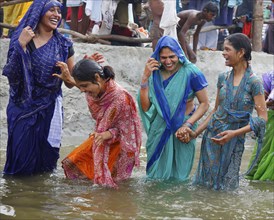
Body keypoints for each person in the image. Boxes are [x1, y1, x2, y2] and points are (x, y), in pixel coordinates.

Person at [182, 33, 268, 190]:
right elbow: (216, 111)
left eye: (227, 49)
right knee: (205, 185)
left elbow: (262, 118)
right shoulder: (223, 78)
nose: (223, 53)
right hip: (212, 138)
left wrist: (233, 134)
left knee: (227, 188)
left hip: (234, 141)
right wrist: (196, 133)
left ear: (241, 52)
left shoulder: (254, 83)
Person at [2, 0, 75, 175]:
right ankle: (20, 197)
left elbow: (73, 83)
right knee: (20, 160)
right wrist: (21, 46)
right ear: (39, 13)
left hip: (49, 108)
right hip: (22, 108)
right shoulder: (22, 38)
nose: (57, 14)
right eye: (51, 10)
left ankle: (39, 197)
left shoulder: (64, 45)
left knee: (46, 162)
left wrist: (67, 77)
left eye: (59, 11)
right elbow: (11, 74)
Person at [61, 59, 142, 188]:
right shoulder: (96, 91)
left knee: (115, 185)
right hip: (101, 137)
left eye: (84, 86)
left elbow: (128, 131)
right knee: (73, 163)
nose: (82, 90)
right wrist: (69, 79)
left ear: (97, 78)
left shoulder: (120, 98)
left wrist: (108, 134)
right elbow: (89, 89)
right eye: (80, 86)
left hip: (122, 146)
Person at [138, 35, 209, 180]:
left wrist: (187, 125)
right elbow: (146, 108)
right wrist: (145, 78)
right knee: (154, 177)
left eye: (172, 56)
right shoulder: (154, 74)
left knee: (180, 176)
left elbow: (204, 104)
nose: (168, 61)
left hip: (183, 130)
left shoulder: (191, 72)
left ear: (179, 54)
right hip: (159, 128)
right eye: (163, 57)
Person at [245, 70, 274, 181]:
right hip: (270, 119)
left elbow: (266, 101)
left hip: (269, 118)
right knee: (263, 149)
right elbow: (265, 97)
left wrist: (262, 104)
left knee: (263, 150)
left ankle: (258, 177)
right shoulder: (270, 75)